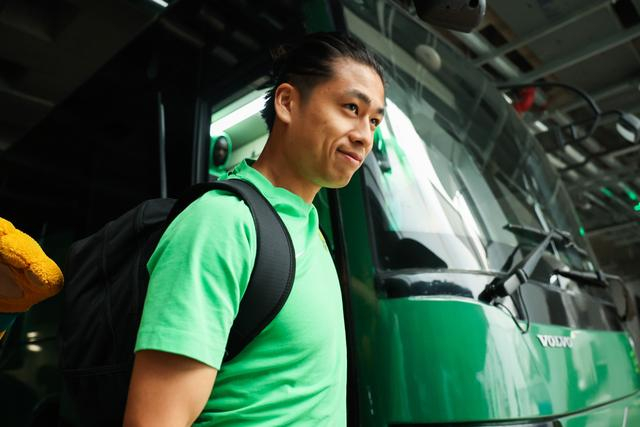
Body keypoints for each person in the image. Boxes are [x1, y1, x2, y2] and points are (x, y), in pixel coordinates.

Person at [123, 32, 385, 426]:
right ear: (287, 102)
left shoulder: (312, 232)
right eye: (351, 107)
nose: (365, 136)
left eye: (374, 120)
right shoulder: (223, 222)